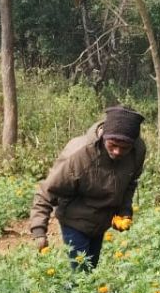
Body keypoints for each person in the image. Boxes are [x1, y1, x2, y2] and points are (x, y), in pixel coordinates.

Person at [29, 106, 146, 269]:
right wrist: (39, 231)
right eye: (113, 145)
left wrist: (124, 211)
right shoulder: (79, 155)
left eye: (124, 147)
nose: (118, 151)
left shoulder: (137, 152)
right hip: (74, 219)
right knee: (81, 274)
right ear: (104, 137)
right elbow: (46, 191)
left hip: (101, 222)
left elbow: (130, 183)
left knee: (90, 271)